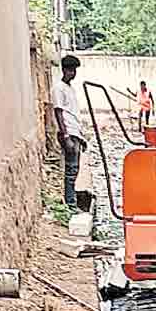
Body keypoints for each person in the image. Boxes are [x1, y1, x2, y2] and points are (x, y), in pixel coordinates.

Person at [52, 55, 85, 211]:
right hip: (68, 132)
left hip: (74, 130)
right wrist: (65, 135)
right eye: (71, 70)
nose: (73, 73)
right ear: (64, 70)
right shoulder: (59, 88)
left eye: (74, 70)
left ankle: (71, 201)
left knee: (75, 168)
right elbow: (58, 111)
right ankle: (70, 203)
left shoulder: (69, 88)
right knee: (71, 169)